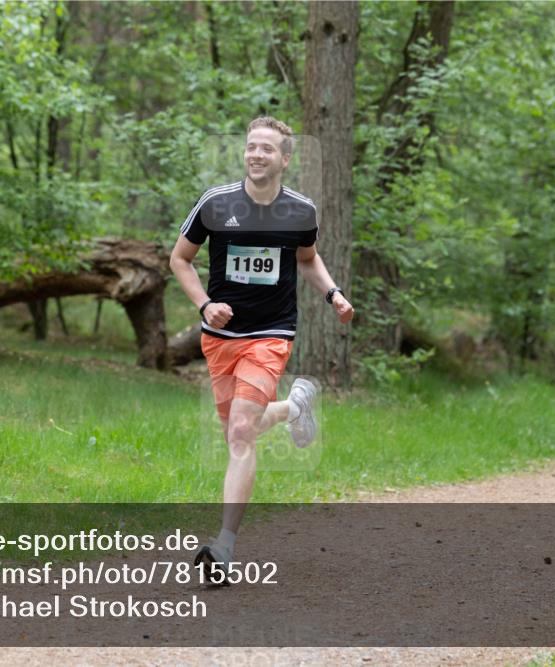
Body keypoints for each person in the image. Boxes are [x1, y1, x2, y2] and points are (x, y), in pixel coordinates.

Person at [168, 116, 355, 583]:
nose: (256, 154)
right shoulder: (215, 203)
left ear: (285, 158)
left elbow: (308, 260)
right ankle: (294, 408)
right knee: (238, 429)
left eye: (267, 149)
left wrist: (333, 294)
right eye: (252, 146)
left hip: (272, 333)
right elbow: (180, 259)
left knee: (240, 433)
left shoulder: (301, 212)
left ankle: (224, 547)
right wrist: (205, 304)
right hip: (221, 338)